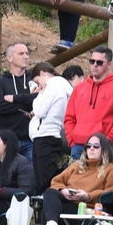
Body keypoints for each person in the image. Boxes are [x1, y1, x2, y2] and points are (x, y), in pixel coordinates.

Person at [40, 132, 113, 225]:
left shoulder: (111, 169)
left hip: (90, 209)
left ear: (104, 149)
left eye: (96, 146)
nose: (91, 148)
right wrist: (63, 190)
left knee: (46, 213)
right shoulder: (76, 165)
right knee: (50, 194)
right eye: (88, 146)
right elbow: (56, 181)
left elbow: (112, 192)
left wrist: (88, 196)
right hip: (70, 202)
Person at [64, 47, 113, 156]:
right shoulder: (79, 88)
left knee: (102, 174)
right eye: (92, 61)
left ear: (109, 64)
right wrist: (71, 139)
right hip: (78, 146)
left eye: (99, 62)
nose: (95, 65)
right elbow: (69, 117)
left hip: (103, 147)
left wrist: (108, 140)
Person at [28, 64, 70, 192]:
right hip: (45, 136)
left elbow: (40, 111)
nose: (39, 86)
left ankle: (46, 206)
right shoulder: (61, 85)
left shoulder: (52, 85)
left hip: (46, 137)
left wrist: (37, 96)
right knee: (42, 178)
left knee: (44, 180)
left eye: (37, 81)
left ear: (43, 73)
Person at [0, 42, 36, 151]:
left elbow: (40, 100)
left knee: (29, 169)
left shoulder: (34, 79)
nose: (25, 57)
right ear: (9, 58)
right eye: (21, 54)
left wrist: (14, 99)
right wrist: (27, 102)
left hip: (31, 140)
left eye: (27, 53)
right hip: (7, 141)